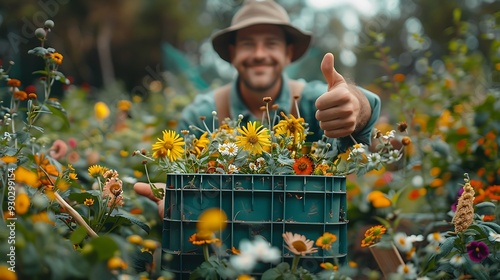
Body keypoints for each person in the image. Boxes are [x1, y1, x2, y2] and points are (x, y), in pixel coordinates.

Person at [134, 0, 381, 217]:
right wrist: (175, 198)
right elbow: (179, 182)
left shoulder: (310, 102)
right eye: (248, 44)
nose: (259, 54)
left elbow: (365, 105)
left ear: (288, 53)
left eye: (271, 44)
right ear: (232, 53)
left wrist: (354, 107)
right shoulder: (200, 116)